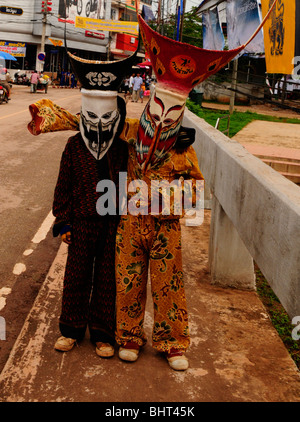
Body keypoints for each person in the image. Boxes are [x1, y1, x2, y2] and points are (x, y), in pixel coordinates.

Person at [27, 47, 139, 358]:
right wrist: (63, 221)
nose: (100, 125)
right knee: (76, 276)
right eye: (92, 117)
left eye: (107, 117)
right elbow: (63, 186)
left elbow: (136, 177)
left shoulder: (123, 148)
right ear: (82, 115)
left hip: (112, 223)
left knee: (106, 279)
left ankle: (103, 334)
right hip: (81, 222)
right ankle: (71, 330)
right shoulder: (73, 146)